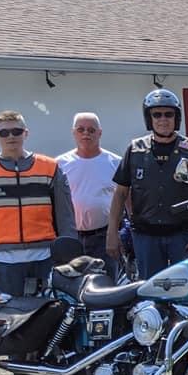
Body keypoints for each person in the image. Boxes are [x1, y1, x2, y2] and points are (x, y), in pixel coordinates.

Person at [106, 89, 188, 279]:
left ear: (177, 117)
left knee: (186, 288)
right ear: (149, 118)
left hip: (183, 236)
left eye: (168, 114)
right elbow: (120, 193)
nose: (163, 119)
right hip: (146, 237)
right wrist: (112, 232)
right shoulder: (134, 150)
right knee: (150, 289)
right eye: (157, 114)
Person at [0, 111, 76, 296]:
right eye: (3, 133)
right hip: (6, 262)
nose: (11, 137)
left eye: (16, 131)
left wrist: (69, 259)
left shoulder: (49, 168)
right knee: (12, 313)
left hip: (46, 258)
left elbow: (66, 217)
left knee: (51, 311)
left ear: (26, 133)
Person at [56, 112, 122, 277]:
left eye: (91, 130)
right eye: (81, 130)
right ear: (73, 132)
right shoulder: (59, 164)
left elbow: (126, 200)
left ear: (100, 133)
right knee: (71, 285)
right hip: (71, 237)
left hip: (104, 237)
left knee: (106, 285)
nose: (86, 134)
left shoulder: (115, 162)